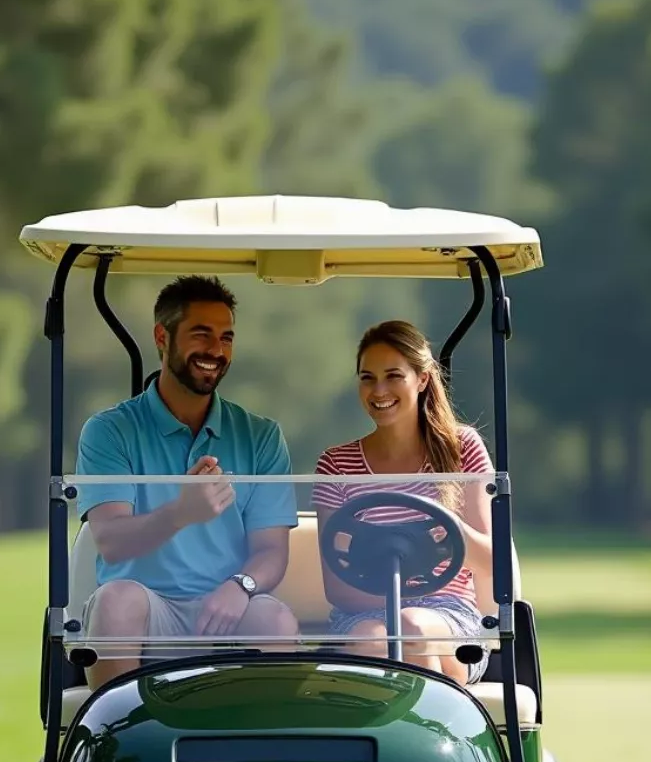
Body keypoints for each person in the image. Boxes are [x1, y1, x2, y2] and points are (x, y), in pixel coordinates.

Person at [75, 275, 299, 687]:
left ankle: (267, 746)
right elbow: (111, 539)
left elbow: (271, 551)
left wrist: (240, 586)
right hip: (147, 612)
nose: (216, 350)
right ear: (163, 337)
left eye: (226, 337)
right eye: (202, 335)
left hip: (226, 608)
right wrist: (181, 513)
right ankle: (122, 741)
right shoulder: (110, 431)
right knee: (116, 601)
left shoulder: (260, 435)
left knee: (274, 618)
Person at [312, 319, 494, 685]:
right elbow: (338, 587)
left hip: (449, 612)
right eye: (367, 377)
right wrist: (396, 601)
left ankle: (433, 739)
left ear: (422, 379)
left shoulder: (463, 448)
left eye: (393, 375)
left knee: (411, 628)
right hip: (363, 616)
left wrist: (449, 533)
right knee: (371, 640)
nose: (378, 390)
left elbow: (491, 559)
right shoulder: (335, 464)